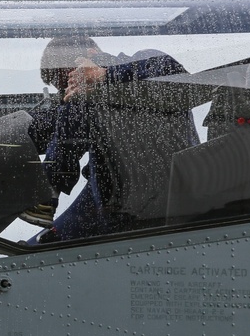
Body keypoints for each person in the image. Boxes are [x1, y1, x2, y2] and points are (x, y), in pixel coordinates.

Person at [24, 36, 198, 241]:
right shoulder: (78, 108)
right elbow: (40, 128)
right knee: (41, 245)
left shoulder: (143, 61)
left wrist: (102, 75)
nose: (69, 91)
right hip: (114, 198)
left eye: (70, 79)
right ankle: (47, 193)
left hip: (168, 192)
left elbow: (179, 75)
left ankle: (49, 188)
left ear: (91, 54)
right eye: (64, 87)